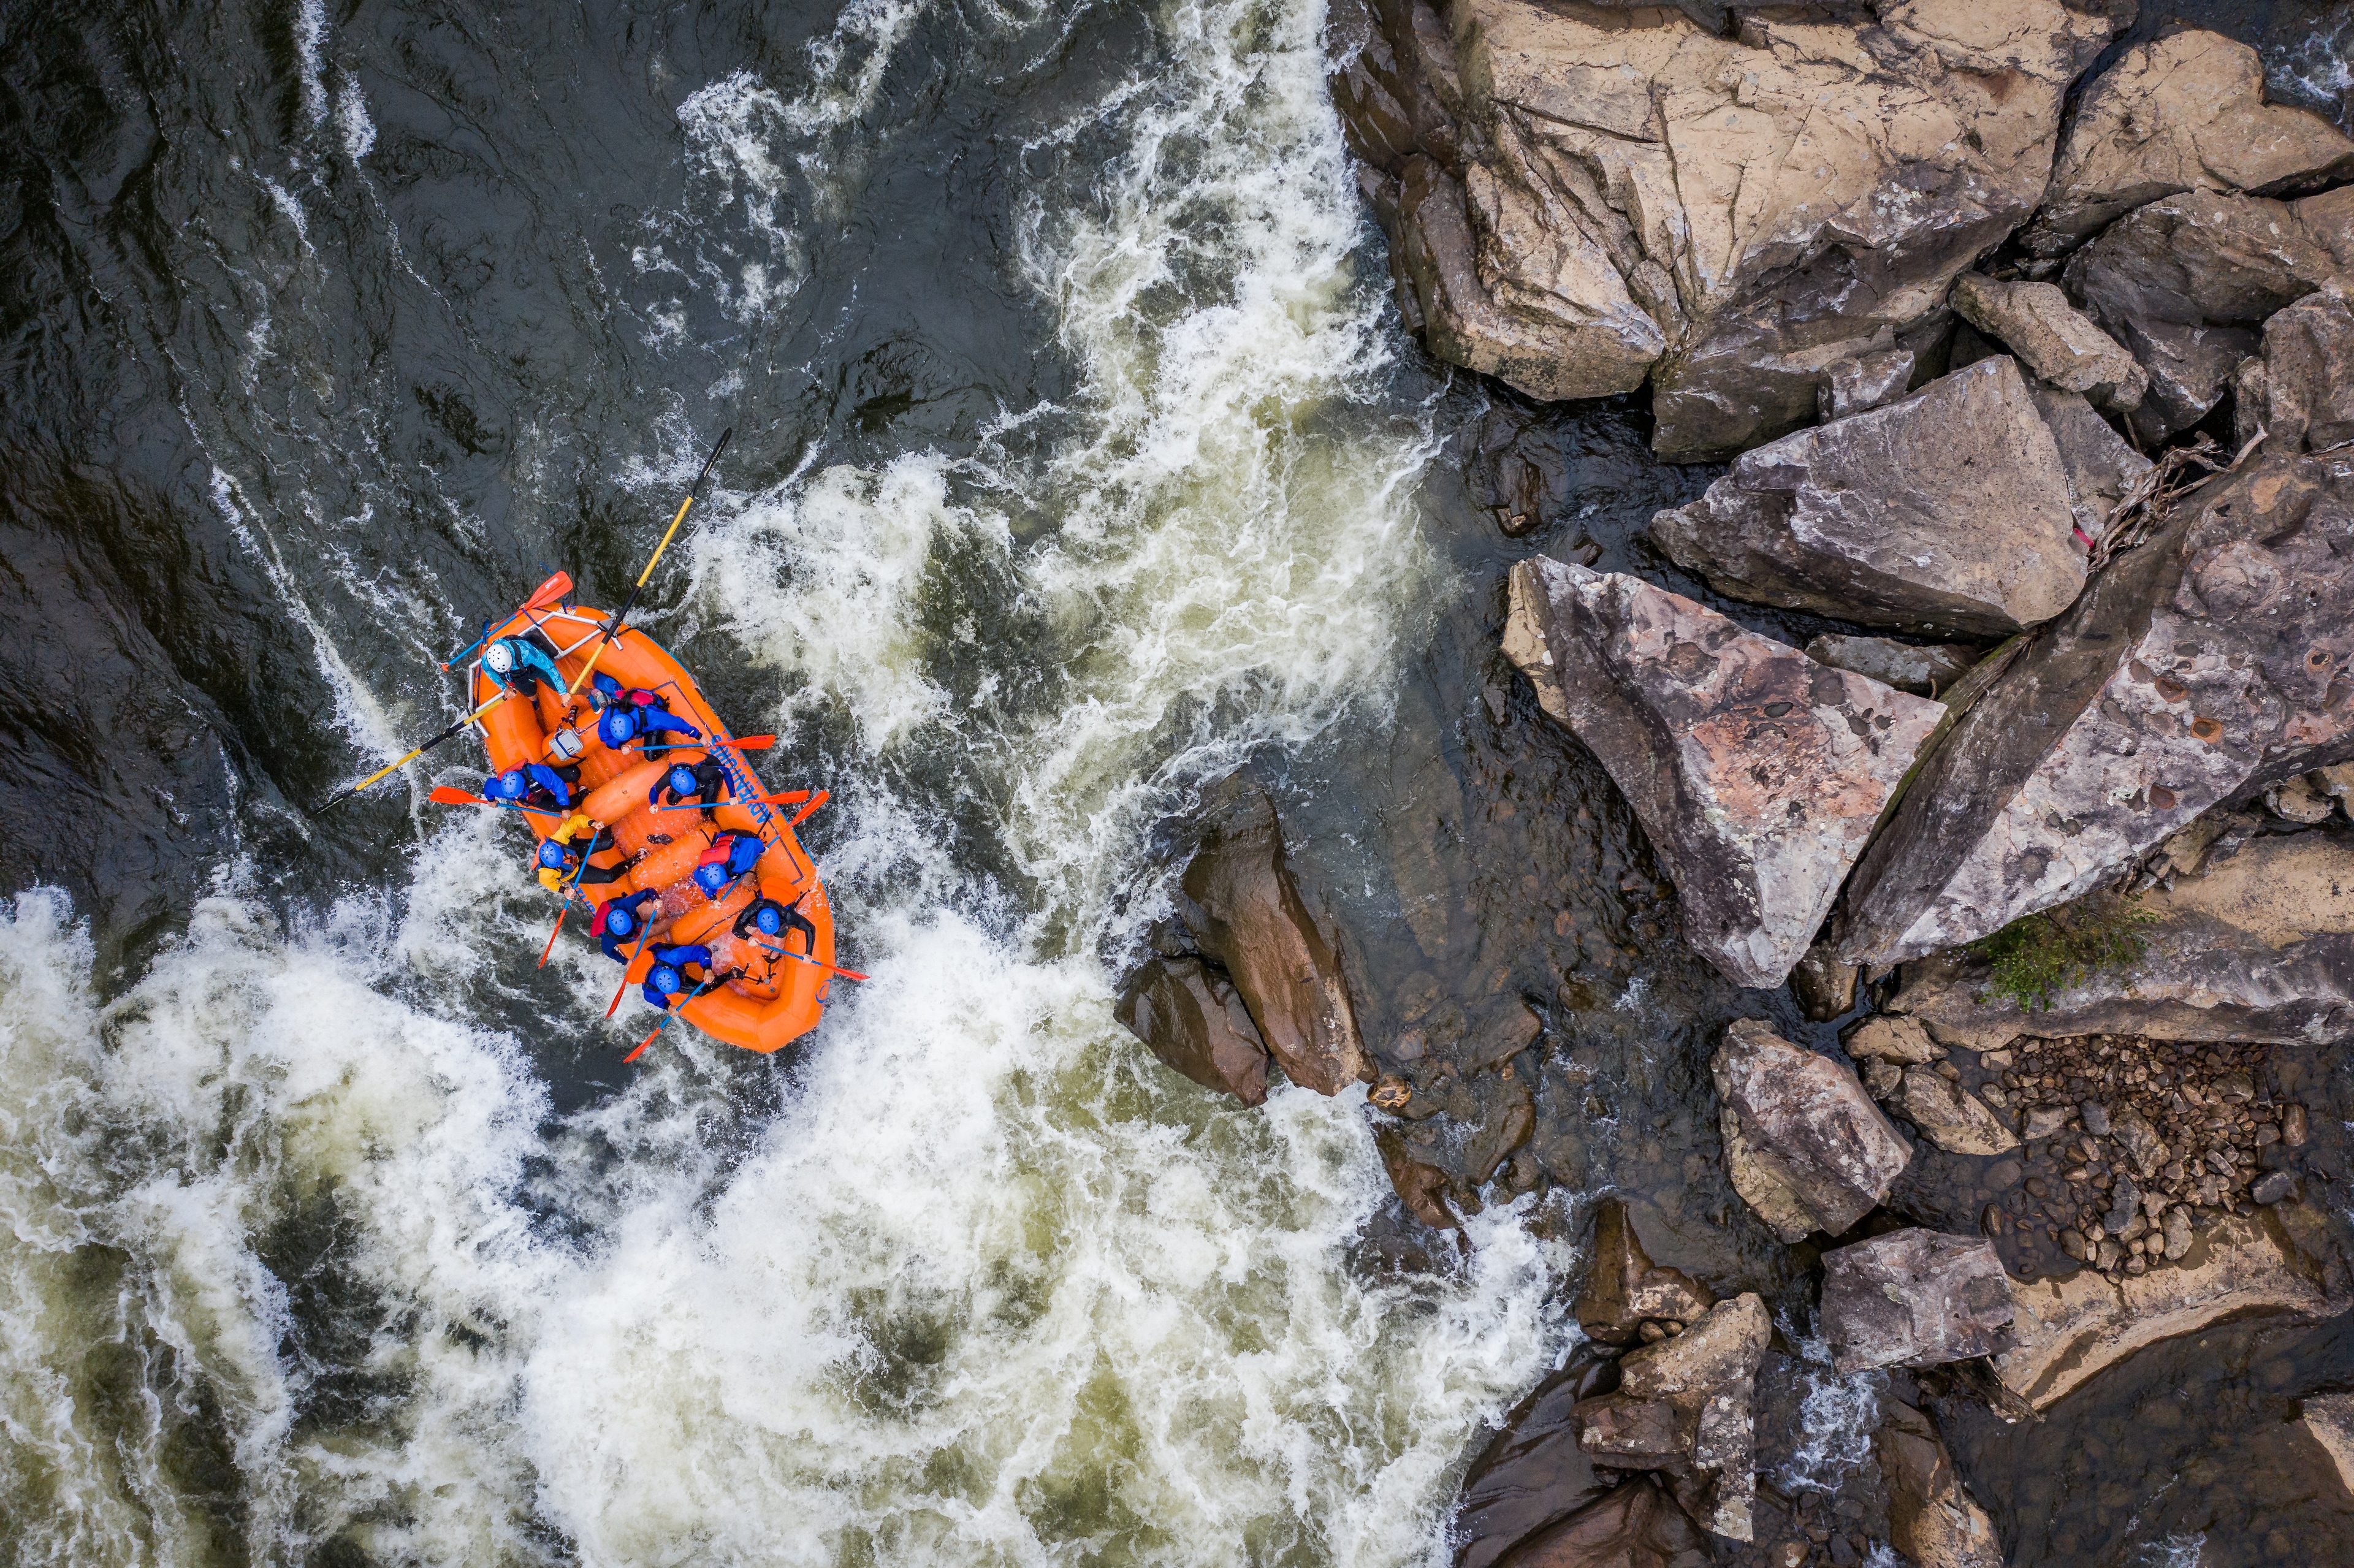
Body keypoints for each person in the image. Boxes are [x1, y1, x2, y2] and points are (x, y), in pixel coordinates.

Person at [535, 813, 627, 893]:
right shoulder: (545, 873)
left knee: (609, 842)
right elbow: (549, 884)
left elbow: (575, 821)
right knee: (609, 878)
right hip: (573, 873)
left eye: (563, 857)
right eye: (561, 860)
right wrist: (564, 891)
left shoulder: (559, 838)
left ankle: (607, 826)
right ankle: (633, 861)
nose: (564, 859)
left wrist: (593, 823)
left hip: (575, 850)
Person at [596, 689, 701, 753]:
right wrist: (620, 746)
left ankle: (662, 746)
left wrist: (698, 735)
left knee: (651, 756)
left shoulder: (651, 717)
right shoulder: (608, 718)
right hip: (638, 714)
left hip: (652, 711)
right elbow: (606, 738)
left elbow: (676, 723)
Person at [481, 635, 567, 697]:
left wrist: (563, 692)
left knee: (560, 686)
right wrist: (504, 688)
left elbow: (549, 667)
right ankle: (535, 700)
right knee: (530, 694)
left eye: (509, 666)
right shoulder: (487, 660)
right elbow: (488, 671)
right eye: (505, 670)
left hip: (534, 667)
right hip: (517, 676)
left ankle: (571, 691)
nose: (508, 670)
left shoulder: (526, 652)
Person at [641, 943, 718, 1011]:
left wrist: (707, 969)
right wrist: (668, 1007)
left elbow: (699, 951)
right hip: (659, 968)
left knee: (707, 952)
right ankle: (730, 975)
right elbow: (654, 1000)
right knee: (701, 991)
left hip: (666, 956)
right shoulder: (651, 988)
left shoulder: (673, 957)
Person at [590, 888, 660, 962]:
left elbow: (648, 891)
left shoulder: (625, 905)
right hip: (631, 935)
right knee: (656, 929)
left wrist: (656, 900)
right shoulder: (609, 939)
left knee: (660, 912)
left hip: (632, 915)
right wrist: (625, 961)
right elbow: (607, 951)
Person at [733, 894, 817, 954]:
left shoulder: (789, 917)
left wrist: (808, 953)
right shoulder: (757, 905)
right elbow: (736, 928)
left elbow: (810, 928)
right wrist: (749, 938)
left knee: (778, 946)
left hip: (783, 908)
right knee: (748, 930)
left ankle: (773, 959)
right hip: (766, 906)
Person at [690, 831, 764, 899]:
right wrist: (712, 898)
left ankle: (755, 855)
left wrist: (762, 849)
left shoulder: (738, 864)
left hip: (743, 838)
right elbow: (703, 882)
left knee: (747, 882)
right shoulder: (702, 872)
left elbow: (751, 843)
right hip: (724, 837)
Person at [649, 756, 730, 818]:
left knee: (706, 812)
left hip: (708, 771)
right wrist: (653, 804)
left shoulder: (705, 774)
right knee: (671, 801)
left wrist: (732, 796)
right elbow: (654, 790)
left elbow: (726, 771)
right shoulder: (669, 778)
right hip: (687, 770)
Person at [485, 762, 577, 812]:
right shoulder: (504, 790)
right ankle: (584, 794)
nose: (516, 797)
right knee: (560, 808)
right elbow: (489, 786)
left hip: (545, 780)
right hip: (538, 799)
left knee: (575, 774)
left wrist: (564, 804)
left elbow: (557, 784)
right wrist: (491, 800)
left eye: (518, 794)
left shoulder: (536, 774)